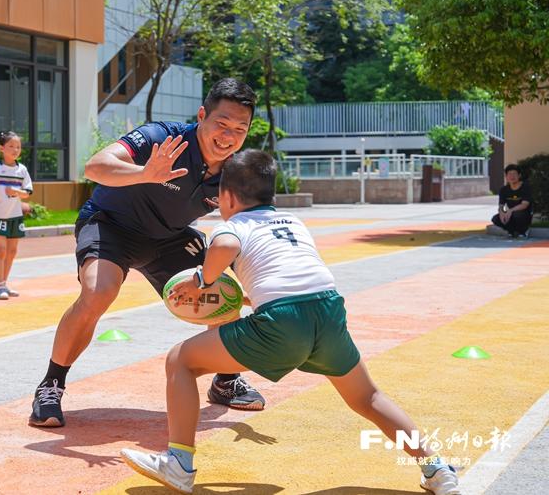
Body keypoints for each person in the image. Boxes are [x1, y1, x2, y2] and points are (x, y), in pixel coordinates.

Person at [120, 150, 462, 495]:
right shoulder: (293, 223)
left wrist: (201, 278)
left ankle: (179, 463)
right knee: (368, 398)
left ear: (226, 196)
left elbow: (223, 246)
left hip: (282, 323)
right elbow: (288, 280)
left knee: (181, 360)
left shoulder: (233, 226)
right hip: (327, 311)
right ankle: (437, 469)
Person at [29, 78, 266, 428]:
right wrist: (144, 173)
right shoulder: (161, 138)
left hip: (169, 238)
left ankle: (226, 380)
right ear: (202, 115)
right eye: (222, 123)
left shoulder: (235, 172)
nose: (228, 135)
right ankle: (51, 384)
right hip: (111, 225)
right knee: (98, 291)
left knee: (225, 296)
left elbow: (243, 230)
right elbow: (95, 167)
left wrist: (257, 284)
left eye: (239, 129)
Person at [0, 131, 33, 299]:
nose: (15, 149)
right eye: (11, 146)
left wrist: (16, 191)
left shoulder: (22, 170)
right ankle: (0, 286)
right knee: (1, 249)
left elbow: (27, 193)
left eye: (18, 147)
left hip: (15, 217)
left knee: (12, 250)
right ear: (1, 148)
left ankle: (5, 283)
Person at [492, 164, 532, 238]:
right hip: (510, 214)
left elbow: (524, 205)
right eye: (509, 174)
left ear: (519, 175)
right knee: (495, 219)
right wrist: (501, 213)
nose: (512, 176)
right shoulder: (504, 190)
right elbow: (501, 205)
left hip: (524, 214)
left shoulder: (525, 187)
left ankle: (523, 231)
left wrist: (510, 210)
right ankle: (512, 231)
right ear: (506, 176)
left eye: (514, 174)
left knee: (517, 215)